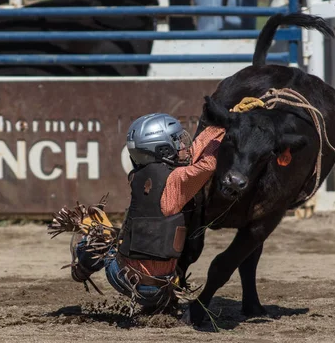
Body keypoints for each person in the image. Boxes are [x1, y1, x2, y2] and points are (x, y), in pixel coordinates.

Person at [66, 113, 225, 311]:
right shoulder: (177, 182)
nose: (184, 146)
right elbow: (208, 163)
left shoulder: (138, 177)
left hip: (126, 279)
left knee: (101, 234)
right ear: (163, 149)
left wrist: (219, 126)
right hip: (157, 290)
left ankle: (82, 266)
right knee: (107, 236)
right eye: (178, 142)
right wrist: (229, 127)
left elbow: (193, 155)